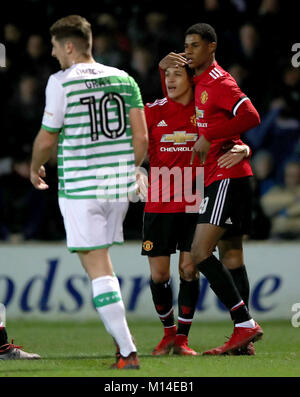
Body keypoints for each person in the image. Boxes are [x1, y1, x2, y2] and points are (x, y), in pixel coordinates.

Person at [30, 15, 148, 369]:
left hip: (82, 186)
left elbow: (48, 136)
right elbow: (141, 137)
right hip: (117, 185)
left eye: (54, 46)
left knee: (97, 267)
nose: (52, 53)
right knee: (100, 262)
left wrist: (36, 164)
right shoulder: (124, 78)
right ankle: (122, 343)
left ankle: (127, 351)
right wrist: (129, 169)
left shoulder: (61, 82)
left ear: (69, 46)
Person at [159, 23, 263, 355]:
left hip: (226, 177)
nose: (188, 51)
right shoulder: (197, 80)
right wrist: (165, 61)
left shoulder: (219, 82)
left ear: (212, 47)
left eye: (195, 45)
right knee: (231, 255)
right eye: (185, 45)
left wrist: (212, 137)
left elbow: (251, 115)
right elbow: (167, 73)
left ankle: (245, 324)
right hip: (228, 175)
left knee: (200, 252)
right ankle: (243, 340)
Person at [141, 63, 252, 356]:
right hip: (160, 202)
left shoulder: (202, 114)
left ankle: (181, 338)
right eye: (167, 75)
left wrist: (245, 149)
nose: (171, 80)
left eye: (178, 74)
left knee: (189, 269)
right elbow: (135, 148)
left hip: (194, 200)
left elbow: (233, 140)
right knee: (160, 276)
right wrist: (135, 170)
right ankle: (167, 334)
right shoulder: (152, 111)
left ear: (191, 80)